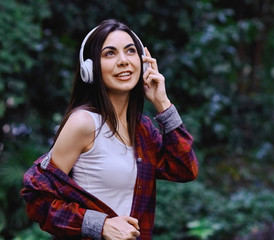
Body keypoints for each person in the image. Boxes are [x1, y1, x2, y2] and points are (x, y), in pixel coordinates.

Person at [20, 19, 198, 240]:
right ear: (90, 68)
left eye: (130, 51)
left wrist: (162, 103)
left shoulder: (141, 128)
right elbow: (37, 198)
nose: (123, 61)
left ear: (143, 63)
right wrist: (100, 225)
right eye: (110, 54)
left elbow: (184, 169)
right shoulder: (83, 123)